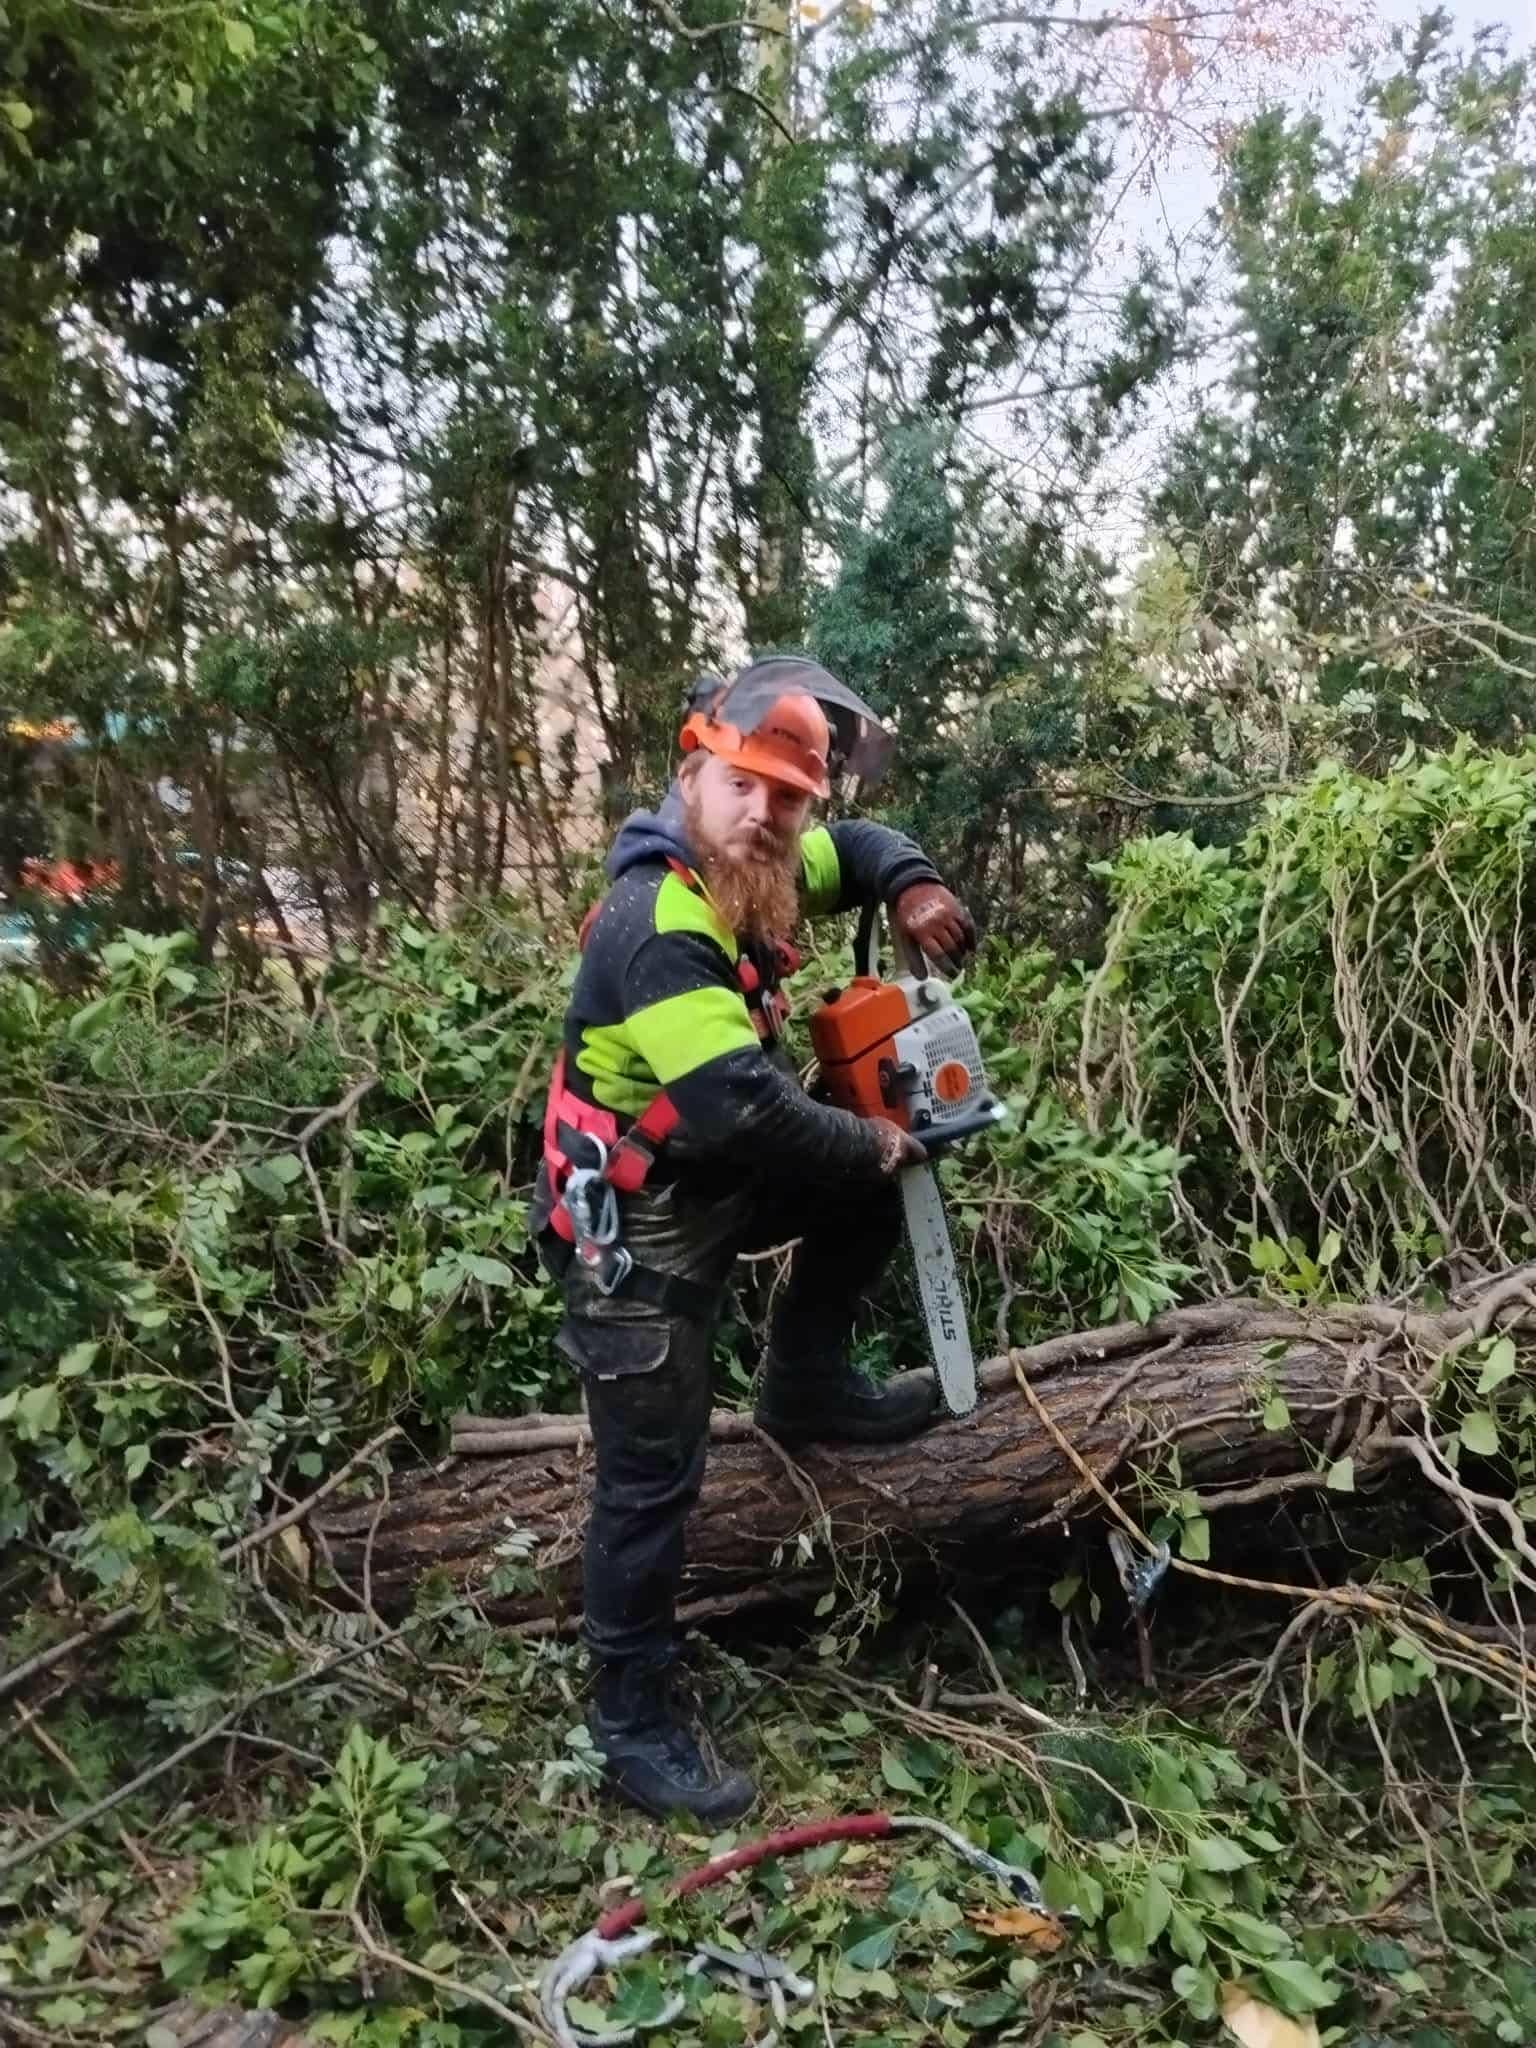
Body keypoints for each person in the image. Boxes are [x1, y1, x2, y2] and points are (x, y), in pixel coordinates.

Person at [532, 655, 976, 1822]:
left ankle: (807, 1384)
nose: (768, 812)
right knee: (650, 1478)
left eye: (790, 795)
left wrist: (914, 885)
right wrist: (876, 1140)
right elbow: (743, 1104)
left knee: (859, 1183)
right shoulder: (655, 921)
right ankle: (632, 1711)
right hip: (630, 1227)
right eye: (746, 785)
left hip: (715, 1179)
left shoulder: (761, 863)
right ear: (695, 770)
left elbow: (867, 846)